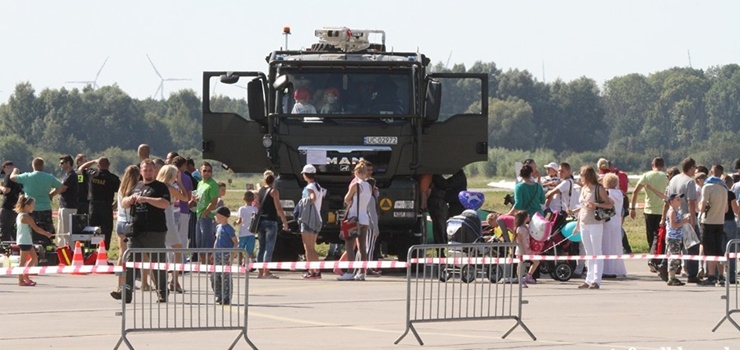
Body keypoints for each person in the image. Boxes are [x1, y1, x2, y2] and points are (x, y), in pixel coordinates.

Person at [111, 159, 171, 303]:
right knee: (130, 263)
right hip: (136, 232)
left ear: (154, 171)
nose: (148, 172)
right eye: (145, 170)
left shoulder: (160, 187)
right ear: (141, 171)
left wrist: (146, 199)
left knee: (157, 264)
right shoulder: (136, 186)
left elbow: (165, 204)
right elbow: (124, 202)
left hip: (154, 231)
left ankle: (162, 292)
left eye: (151, 170)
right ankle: (126, 292)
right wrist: (130, 199)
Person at [574, 165, 613, 290]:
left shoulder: (598, 188)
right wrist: (577, 224)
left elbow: (609, 204)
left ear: (587, 175)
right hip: (584, 222)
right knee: (588, 252)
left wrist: (595, 204)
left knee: (597, 251)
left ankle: (597, 280)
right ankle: (588, 279)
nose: (580, 177)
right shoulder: (584, 189)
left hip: (595, 223)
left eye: (581, 174)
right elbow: (581, 208)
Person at [10, 158, 62, 246]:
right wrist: (51, 194)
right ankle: (48, 248)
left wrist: (15, 171)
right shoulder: (49, 177)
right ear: (43, 166)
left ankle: (33, 248)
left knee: (32, 230)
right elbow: (61, 187)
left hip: (30, 208)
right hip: (45, 208)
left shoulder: (27, 176)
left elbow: (12, 178)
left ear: (33, 166)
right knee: (47, 230)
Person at [630, 157, 668, 273]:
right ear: (662, 165)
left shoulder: (646, 175)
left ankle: (652, 258)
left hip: (649, 210)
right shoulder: (666, 177)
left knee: (651, 236)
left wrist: (632, 207)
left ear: (653, 165)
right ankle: (657, 259)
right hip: (662, 210)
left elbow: (635, 191)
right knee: (660, 237)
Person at [665, 157, 700, 283]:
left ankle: (669, 270)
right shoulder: (689, 182)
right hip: (685, 217)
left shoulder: (673, 179)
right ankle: (692, 274)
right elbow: (691, 202)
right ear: (691, 168)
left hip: (673, 214)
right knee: (692, 246)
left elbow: (667, 197)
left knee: (674, 246)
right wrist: (692, 220)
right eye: (694, 168)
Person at [338, 163, 372, 281]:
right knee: (362, 247)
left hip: (354, 217)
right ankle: (362, 272)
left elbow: (347, 199)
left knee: (349, 245)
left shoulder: (356, 185)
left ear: (357, 172)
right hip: (364, 218)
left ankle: (350, 271)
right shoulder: (369, 186)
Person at [157, 164, 188, 293]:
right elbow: (185, 198)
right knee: (178, 250)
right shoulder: (170, 188)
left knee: (159, 249)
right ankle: (174, 280)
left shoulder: (157, 186)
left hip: (159, 218)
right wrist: (180, 183)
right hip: (168, 218)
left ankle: (158, 280)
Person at [78, 157, 121, 250]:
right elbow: (123, 192)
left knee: (92, 229)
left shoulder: (92, 174)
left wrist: (93, 161)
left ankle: (91, 249)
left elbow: (80, 169)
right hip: (106, 206)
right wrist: (116, 205)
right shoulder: (113, 178)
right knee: (106, 230)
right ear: (109, 165)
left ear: (98, 165)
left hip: (93, 206)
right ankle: (104, 250)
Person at [697, 164, 728, 286]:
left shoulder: (707, 187)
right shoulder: (724, 188)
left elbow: (702, 207)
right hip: (720, 221)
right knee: (718, 249)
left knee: (709, 250)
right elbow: (726, 209)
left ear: (711, 172)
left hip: (708, 221)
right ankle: (721, 275)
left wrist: (700, 205)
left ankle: (711, 276)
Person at [14, 194, 54, 286]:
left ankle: (26, 276)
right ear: (27, 206)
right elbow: (36, 229)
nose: (33, 207)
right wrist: (46, 234)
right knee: (22, 261)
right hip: (24, 241)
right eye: (32, 205)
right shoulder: (26, 217)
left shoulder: (20, 215)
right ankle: (21, 280)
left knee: (34, 258)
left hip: (26, 240)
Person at [255, 173, 289, 279]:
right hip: (271, 221)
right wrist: (285, 222)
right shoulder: (273, 191)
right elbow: (278, 208)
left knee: (261, 247)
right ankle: (267, 271)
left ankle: (260, 271)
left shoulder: (260, 191)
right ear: (273, 181)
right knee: (269, 247)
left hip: (261, 221)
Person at [113, 165, 139, 294]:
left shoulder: (121, 189)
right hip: (130, 222)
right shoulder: (135, 190)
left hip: (120, 222)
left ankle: (119, 284)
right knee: (134, 256)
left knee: (121, 255)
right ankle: (130, 283)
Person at [298, 164, 324, 279]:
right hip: (317, 218)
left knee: (307, 247)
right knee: (312, 247)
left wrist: (306, 201)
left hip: (308, 219)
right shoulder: (318, 186)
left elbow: (312, 198)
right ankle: (316, 270)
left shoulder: (310, 187)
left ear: (305, 175)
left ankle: (311, 271)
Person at [602, 173, 627, 278]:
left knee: (606, 245)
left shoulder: (607, 193)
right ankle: (618, 268)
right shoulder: (620, 193)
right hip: (617, 221)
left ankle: (607, 269)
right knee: (616, 245)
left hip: (608, 220)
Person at [213, 206, 237, 305]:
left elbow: (235, 242)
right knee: (215, 276)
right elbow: (216, 240)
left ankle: (226, 297)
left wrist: (233, 255)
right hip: (218, 255)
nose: (216, 217)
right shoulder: (218, 227)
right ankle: (218, 294)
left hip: (226, 255)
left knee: (226, 277)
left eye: (217, 215)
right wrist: (213, 251)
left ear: (223, 216)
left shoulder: (229, 229)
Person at [195, 162, 220, 254]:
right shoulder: (200, 184)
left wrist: (205, 213)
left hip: (207, 217)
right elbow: (201, 198)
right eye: (204, 170)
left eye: (209, 171)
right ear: (201, 171)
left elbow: (214, 202)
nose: (207, 173)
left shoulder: (212, 185)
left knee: (207, 243)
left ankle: (208, 265)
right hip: (198, 214)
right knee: (199, 243)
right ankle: (202, 264)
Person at [55, 154, 79, 247]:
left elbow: (62, 188)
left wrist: (51, 195)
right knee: (61, 232)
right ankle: (61, 251)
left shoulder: (72, 175)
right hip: (63, 206)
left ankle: (70, 252)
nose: (60, 165)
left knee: (67, 232)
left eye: (62, 163)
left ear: (68, 163)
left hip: (69, 207)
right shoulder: (66, 175)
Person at [171, 156, 193, 251]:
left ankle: (170, 260)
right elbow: (188, 196)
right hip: (183, 210)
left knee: (171, 239)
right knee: (182, 237)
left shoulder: (169, 176)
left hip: (171, 211)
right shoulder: (187, 178)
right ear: (183, 165)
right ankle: (182, 259)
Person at [664, 193, 686, 286]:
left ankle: (672, 277)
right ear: (671, 201)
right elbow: (673, 225)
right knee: (674, 257)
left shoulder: (677, 211)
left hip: (677, 237)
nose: (679, 201)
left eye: (680, 199)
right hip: (673, 237)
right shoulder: (672, 211)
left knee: (676, 256)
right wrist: (683, 222)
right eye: (677, 199)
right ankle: (671, 277)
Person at [721, 175, 738, 284]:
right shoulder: (730, 194)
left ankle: (719, 275)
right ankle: (731, 276)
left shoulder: (717, 193)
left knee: (721, 249)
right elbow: (735, 209)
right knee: (731, 251)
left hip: (718, 222)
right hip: (730, 222)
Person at [0, 161, 23, 241]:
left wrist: (1, 187)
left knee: (4, 228)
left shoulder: (8, 176)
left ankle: (4, 248)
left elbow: (6, 190)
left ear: (7, 167)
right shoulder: (21, 176)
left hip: (7, 207)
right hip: (18, 206)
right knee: (15, 230)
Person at [235, 191, 257, 266]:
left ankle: (240, 263)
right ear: (253, 199)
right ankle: (252, 261)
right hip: (251, 232)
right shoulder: (255, 209)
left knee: (240, 249)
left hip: (243, 232)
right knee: (249, 250)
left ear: (244, 199)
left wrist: (236, 222)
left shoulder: (242, 209)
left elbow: (240, 220)